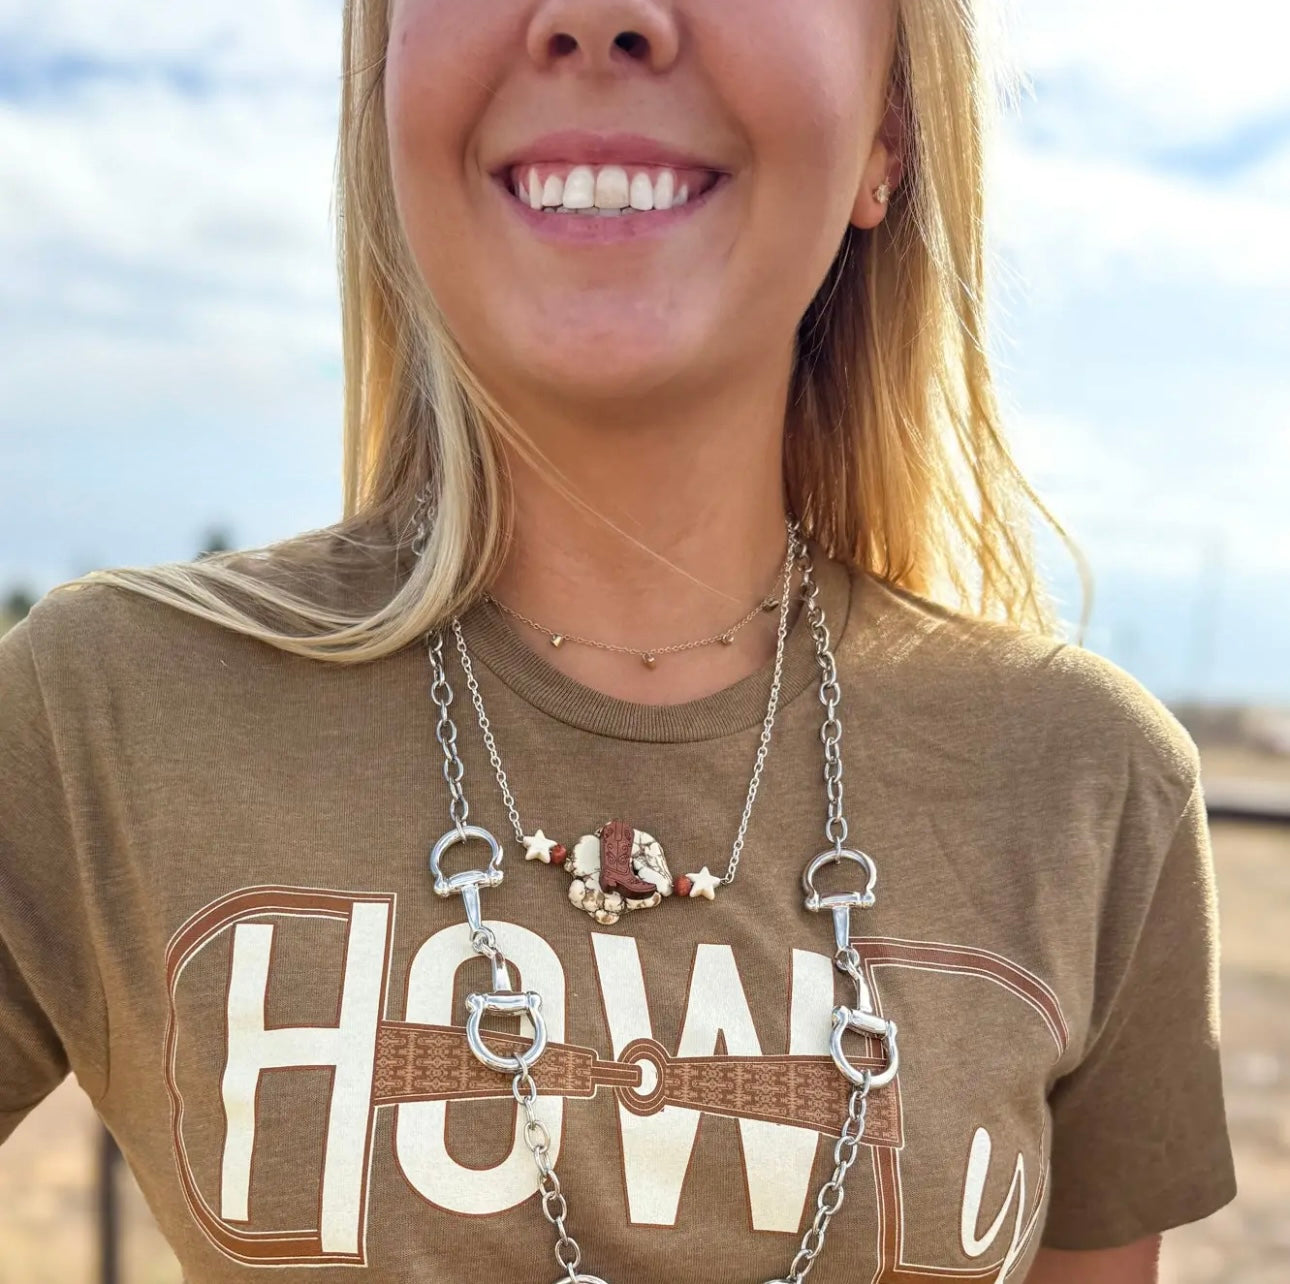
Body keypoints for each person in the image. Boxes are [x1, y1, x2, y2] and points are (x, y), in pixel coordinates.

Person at [0, 2, 1237, 1281]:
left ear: (888, 128)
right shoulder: (108, 711)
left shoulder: (1085, 786)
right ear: (383, 90)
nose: (598, 15)